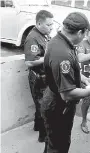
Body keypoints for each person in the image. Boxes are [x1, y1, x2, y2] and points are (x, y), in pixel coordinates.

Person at [40, 12, 90, 153]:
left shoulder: (60, 40)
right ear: (81, 32)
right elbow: (67, 94)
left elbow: (72, 68)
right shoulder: (63, 54)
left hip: (52, 97)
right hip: (59, 105)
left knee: (52, 136)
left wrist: (83, 79)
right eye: (86, 33)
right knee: (60, 142)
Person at [24, 10, 53, 142]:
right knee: (43, 108)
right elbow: (29, 62)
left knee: (40, 105)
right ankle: (43, 136)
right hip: (38, 78)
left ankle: (37, 127)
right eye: (48, 25)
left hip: (44, 76)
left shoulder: (44, 34)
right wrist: (48, 57)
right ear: (39, 23)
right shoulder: (33, 38)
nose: (51, 27)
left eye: (52, 24)